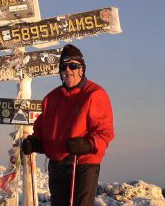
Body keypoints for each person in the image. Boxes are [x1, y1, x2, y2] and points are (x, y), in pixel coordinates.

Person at [22, 44, 114, 206]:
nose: (68, 70)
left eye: (73, 65)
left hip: (82, 165)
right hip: (57, 166)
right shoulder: (51, 99)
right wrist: (35, 143)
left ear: (82, 69)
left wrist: (87, 144)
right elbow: (42, 129)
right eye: (64, 66)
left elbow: (105, 132)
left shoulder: (94, 94)